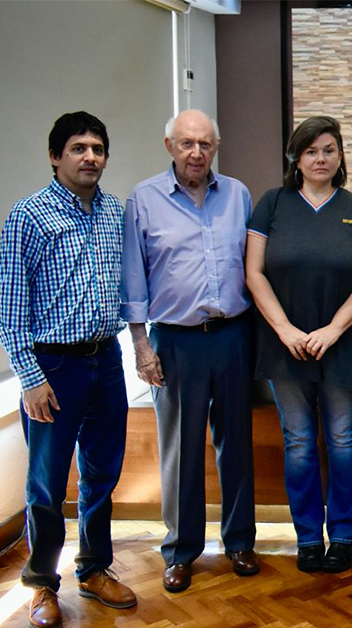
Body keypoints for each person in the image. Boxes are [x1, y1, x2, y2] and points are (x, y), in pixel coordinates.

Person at [0, 112, 136, 628]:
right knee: (46, 483)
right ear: (56, 156)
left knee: (102, 474)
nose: (90, 157)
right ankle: (40, 584)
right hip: (53, 367)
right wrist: (31, 378)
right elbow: (9, 310)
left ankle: (95, 568)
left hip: (106, 360)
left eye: (98, 148)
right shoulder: (29, 217)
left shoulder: (112, 212)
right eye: (78, 148)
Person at [122, 109, 258, 592]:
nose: (196, 152)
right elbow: (133, 280)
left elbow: (254, 268)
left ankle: (241, 541)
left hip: (233, 335)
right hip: (175, 340)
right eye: (186, 144)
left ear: (216, 146)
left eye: (204, 143)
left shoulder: (238, 195)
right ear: (169, 147)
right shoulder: (144, 199)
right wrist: (141, 347)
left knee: (236, 442)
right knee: (180, 450)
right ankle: (181, 551)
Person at [244, 116, 352, 573]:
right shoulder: (272, 204)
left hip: (340, 342)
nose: (320, 158)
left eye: (329, 150)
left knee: (343, 439)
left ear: (341, 156)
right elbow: (254, 272)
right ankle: (307, 535)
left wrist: (333, 330)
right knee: (299, 441)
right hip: (285, 344)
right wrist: (285, 329)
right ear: (296, 158)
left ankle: (343, 534)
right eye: (311, 151)